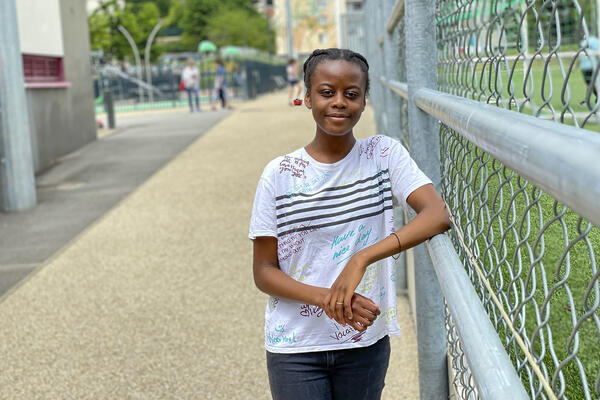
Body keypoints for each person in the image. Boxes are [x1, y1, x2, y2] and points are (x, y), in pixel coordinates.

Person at [249, 48, 450, 400]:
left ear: (364, 100)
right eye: (327, 92)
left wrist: (361, 258)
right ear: (308, 97)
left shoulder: (383, 155)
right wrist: (331, 299)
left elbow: (437, 214)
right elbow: (264, 270)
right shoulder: (278, 174)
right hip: (296, 344)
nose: (339, 102)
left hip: (363, 340)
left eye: (351, 94)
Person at [579, 35, 599, 104]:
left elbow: (597, 53)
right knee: (591, 83)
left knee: (589, 83)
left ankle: (586, 100)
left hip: (591, 65)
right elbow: (580, 55)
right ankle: (598, 97)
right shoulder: (583, 42)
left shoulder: (594, 41)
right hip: (584, 66)